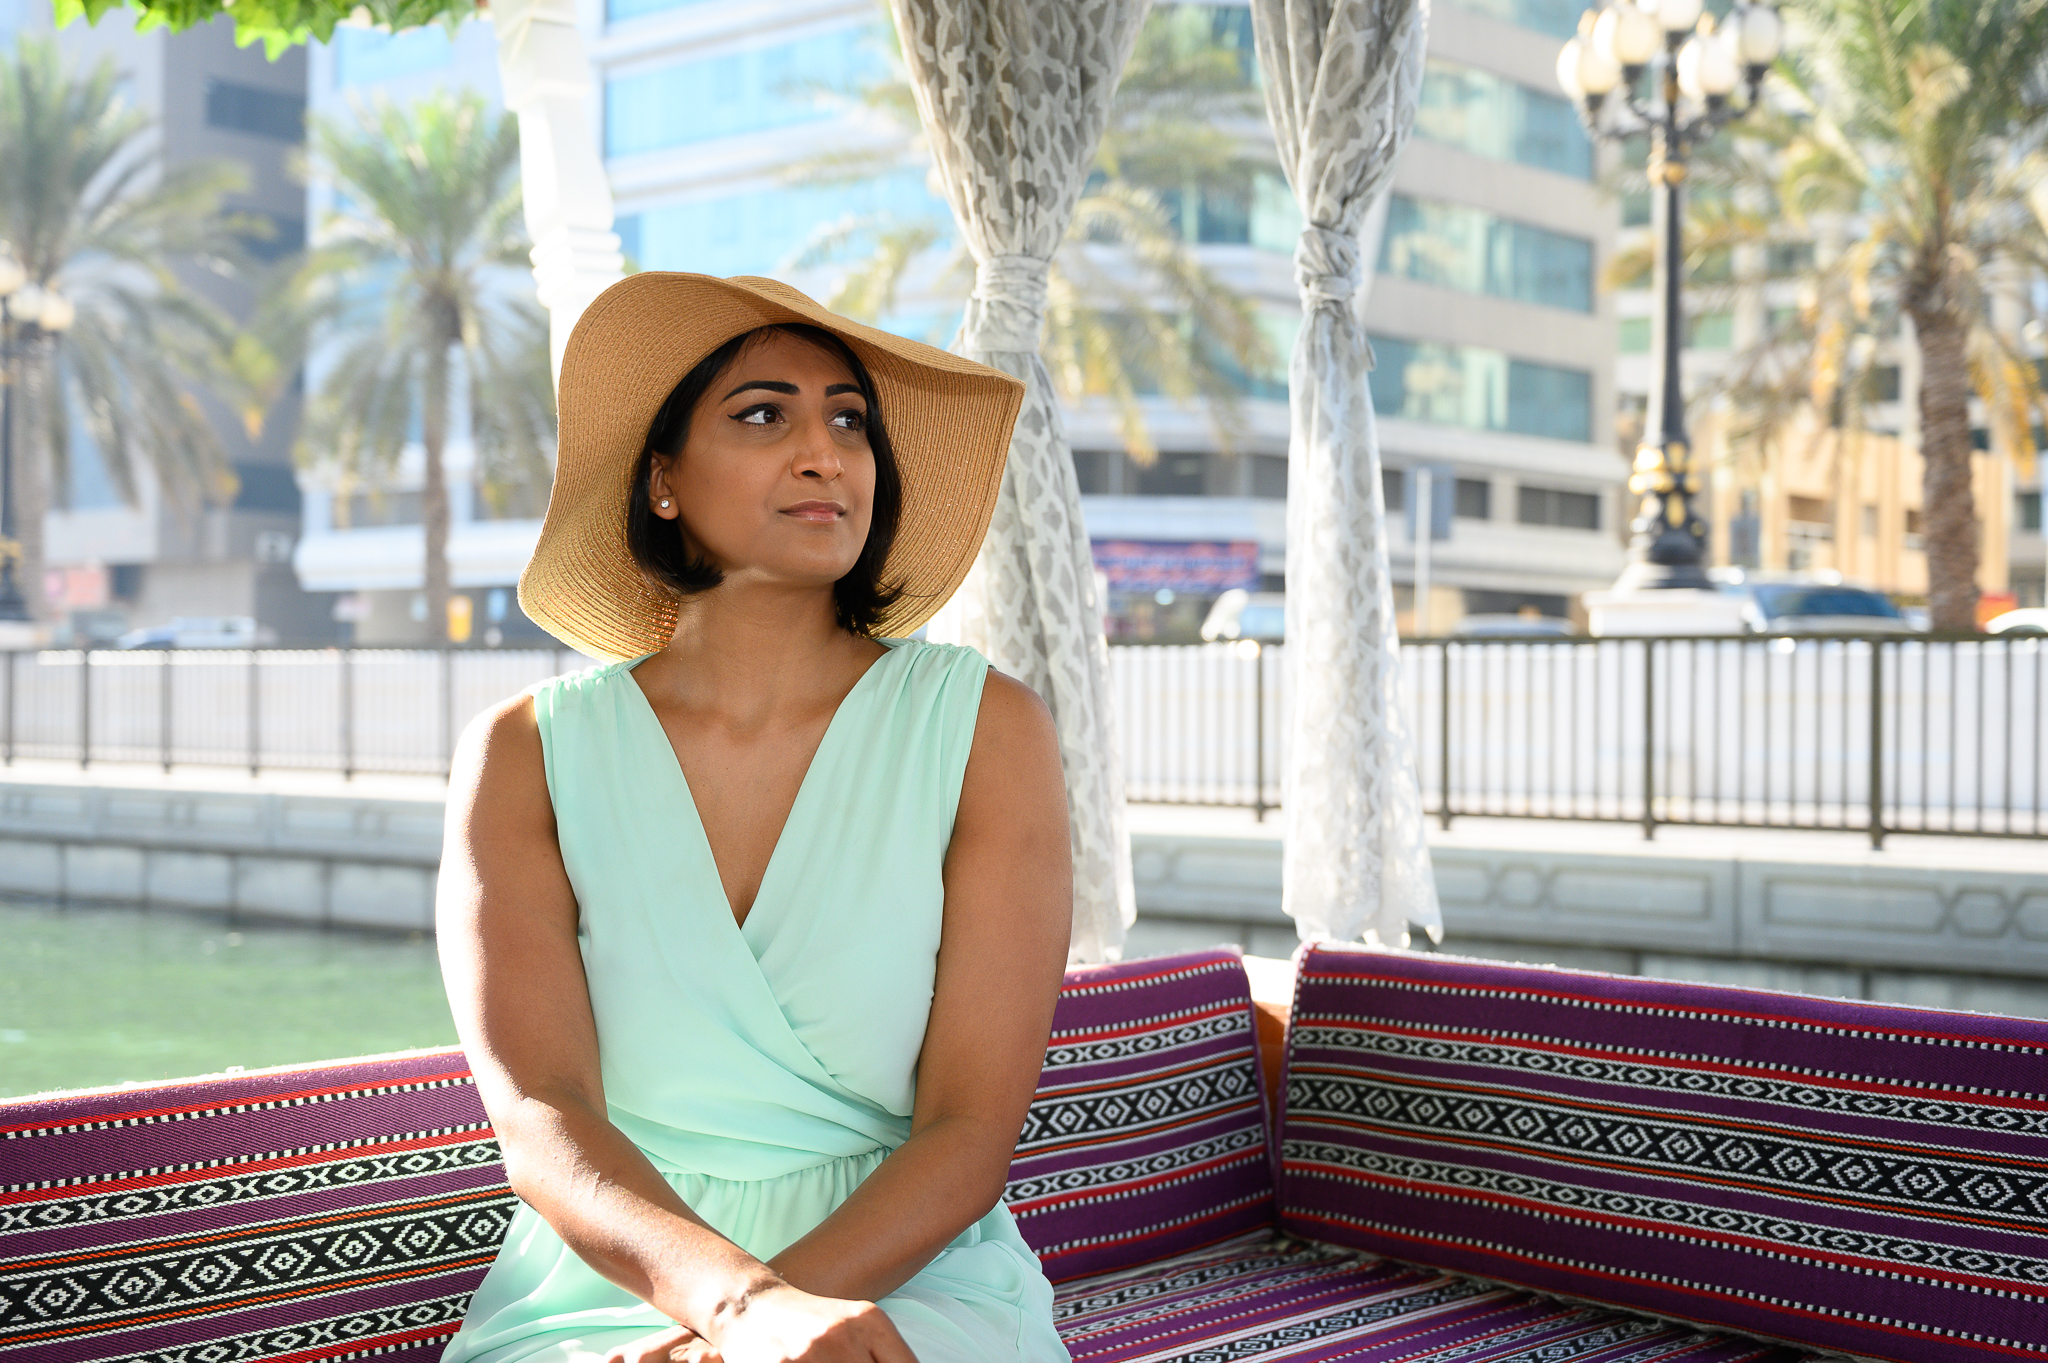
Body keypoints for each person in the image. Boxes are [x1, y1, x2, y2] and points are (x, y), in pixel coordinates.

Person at [436, 274, 1075, 1363]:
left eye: (848, 420)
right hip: (614, 1288)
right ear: (664, 480)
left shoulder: (985, 730)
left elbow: (970, 1132)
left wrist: (756, 1326)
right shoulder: (524, 755)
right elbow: (543, 1114)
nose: (824, 451)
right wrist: (730, 1310)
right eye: (763, 414)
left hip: (913, 1273)